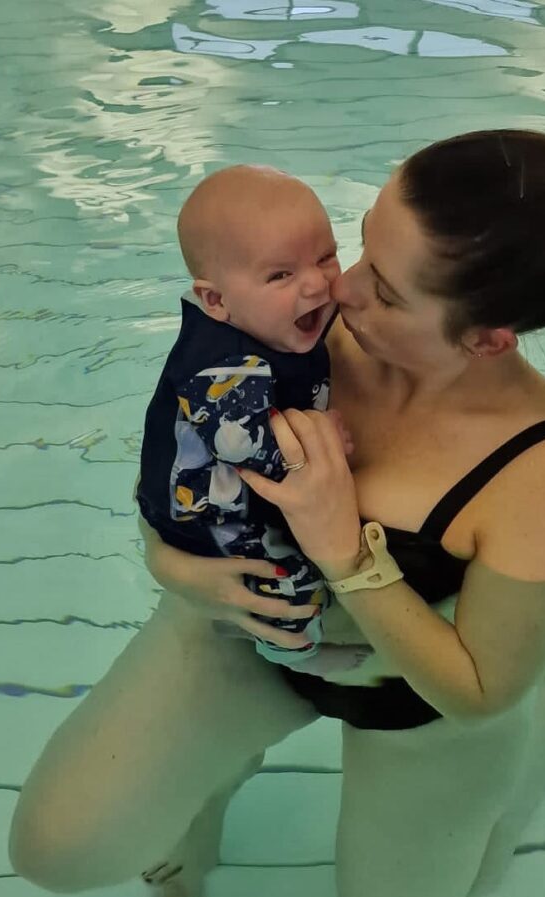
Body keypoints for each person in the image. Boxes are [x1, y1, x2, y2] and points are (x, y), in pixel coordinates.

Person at [9, 129, 545, 897]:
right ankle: (213, 771)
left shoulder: (541, 473)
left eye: (383, 289)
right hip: (248, 636)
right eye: (358, 246)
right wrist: (168, 565)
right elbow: (177, 480)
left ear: (486, 338)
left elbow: (476, 691)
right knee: (58, 850)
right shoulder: (285, 326)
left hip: (418, 702)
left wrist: (345, 556)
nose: (338, 288)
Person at [136, 164, 348, 666]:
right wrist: (325, 440)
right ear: (216, 301)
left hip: (236, 495)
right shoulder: (218, 363)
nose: (317, 283)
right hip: (208, 520)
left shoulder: (275, 316)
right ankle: (290, 653)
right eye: (281, 275)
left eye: (326, 256)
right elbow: (240, 443)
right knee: (282, 583)